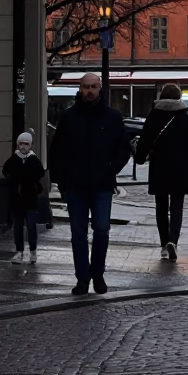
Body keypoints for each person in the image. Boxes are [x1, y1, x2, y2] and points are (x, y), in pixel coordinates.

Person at [49, 72, 132, 295]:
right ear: (80, 88)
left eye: (94, 87)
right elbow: (57, 151)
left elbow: (124, 148)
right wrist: (61, 181)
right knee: (78, 233)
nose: (90, 91)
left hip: (102, 184)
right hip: (75, 184)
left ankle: (98, 274)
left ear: (100, 89)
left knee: (102, 230)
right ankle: (83, 279)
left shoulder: (112, 117)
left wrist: (111, 169)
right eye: (86, 87)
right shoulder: (69, 117)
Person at [135, 83, 188, 261]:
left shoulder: (153, 116)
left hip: (159, 167)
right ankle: (173, 242)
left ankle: (164, 244)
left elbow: (145, 141)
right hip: (179, 168)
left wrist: (140, 157)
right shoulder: (185, 119)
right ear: (179, 97)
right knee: (177, 206)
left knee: (161, 207)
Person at [2, 131, 45, 265]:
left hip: (30, 199)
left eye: (26, 144)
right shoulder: (14, 159)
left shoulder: (33, 159)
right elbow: (5, 170)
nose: (23, 147)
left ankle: (33, 251)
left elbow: (39, 173)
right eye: (21, 143)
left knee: (31, 226)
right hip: (17, 199)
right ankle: (19, 251)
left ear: (30, 145)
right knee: (18, 226)